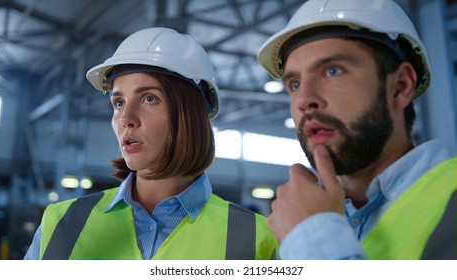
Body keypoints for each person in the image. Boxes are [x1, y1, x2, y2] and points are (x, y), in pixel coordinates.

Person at [24, 27, 278, 260]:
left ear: (192, 115)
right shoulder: (61, 223)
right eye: (119, 102)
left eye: (149, 99)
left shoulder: (258, 239)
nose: (126, 118)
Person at [257, 0, 456, 260]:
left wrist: (314, 238)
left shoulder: (306, 233)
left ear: (400, 86)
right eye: (294, 84)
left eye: (333, 70)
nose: (304, 99)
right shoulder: (290, 228)